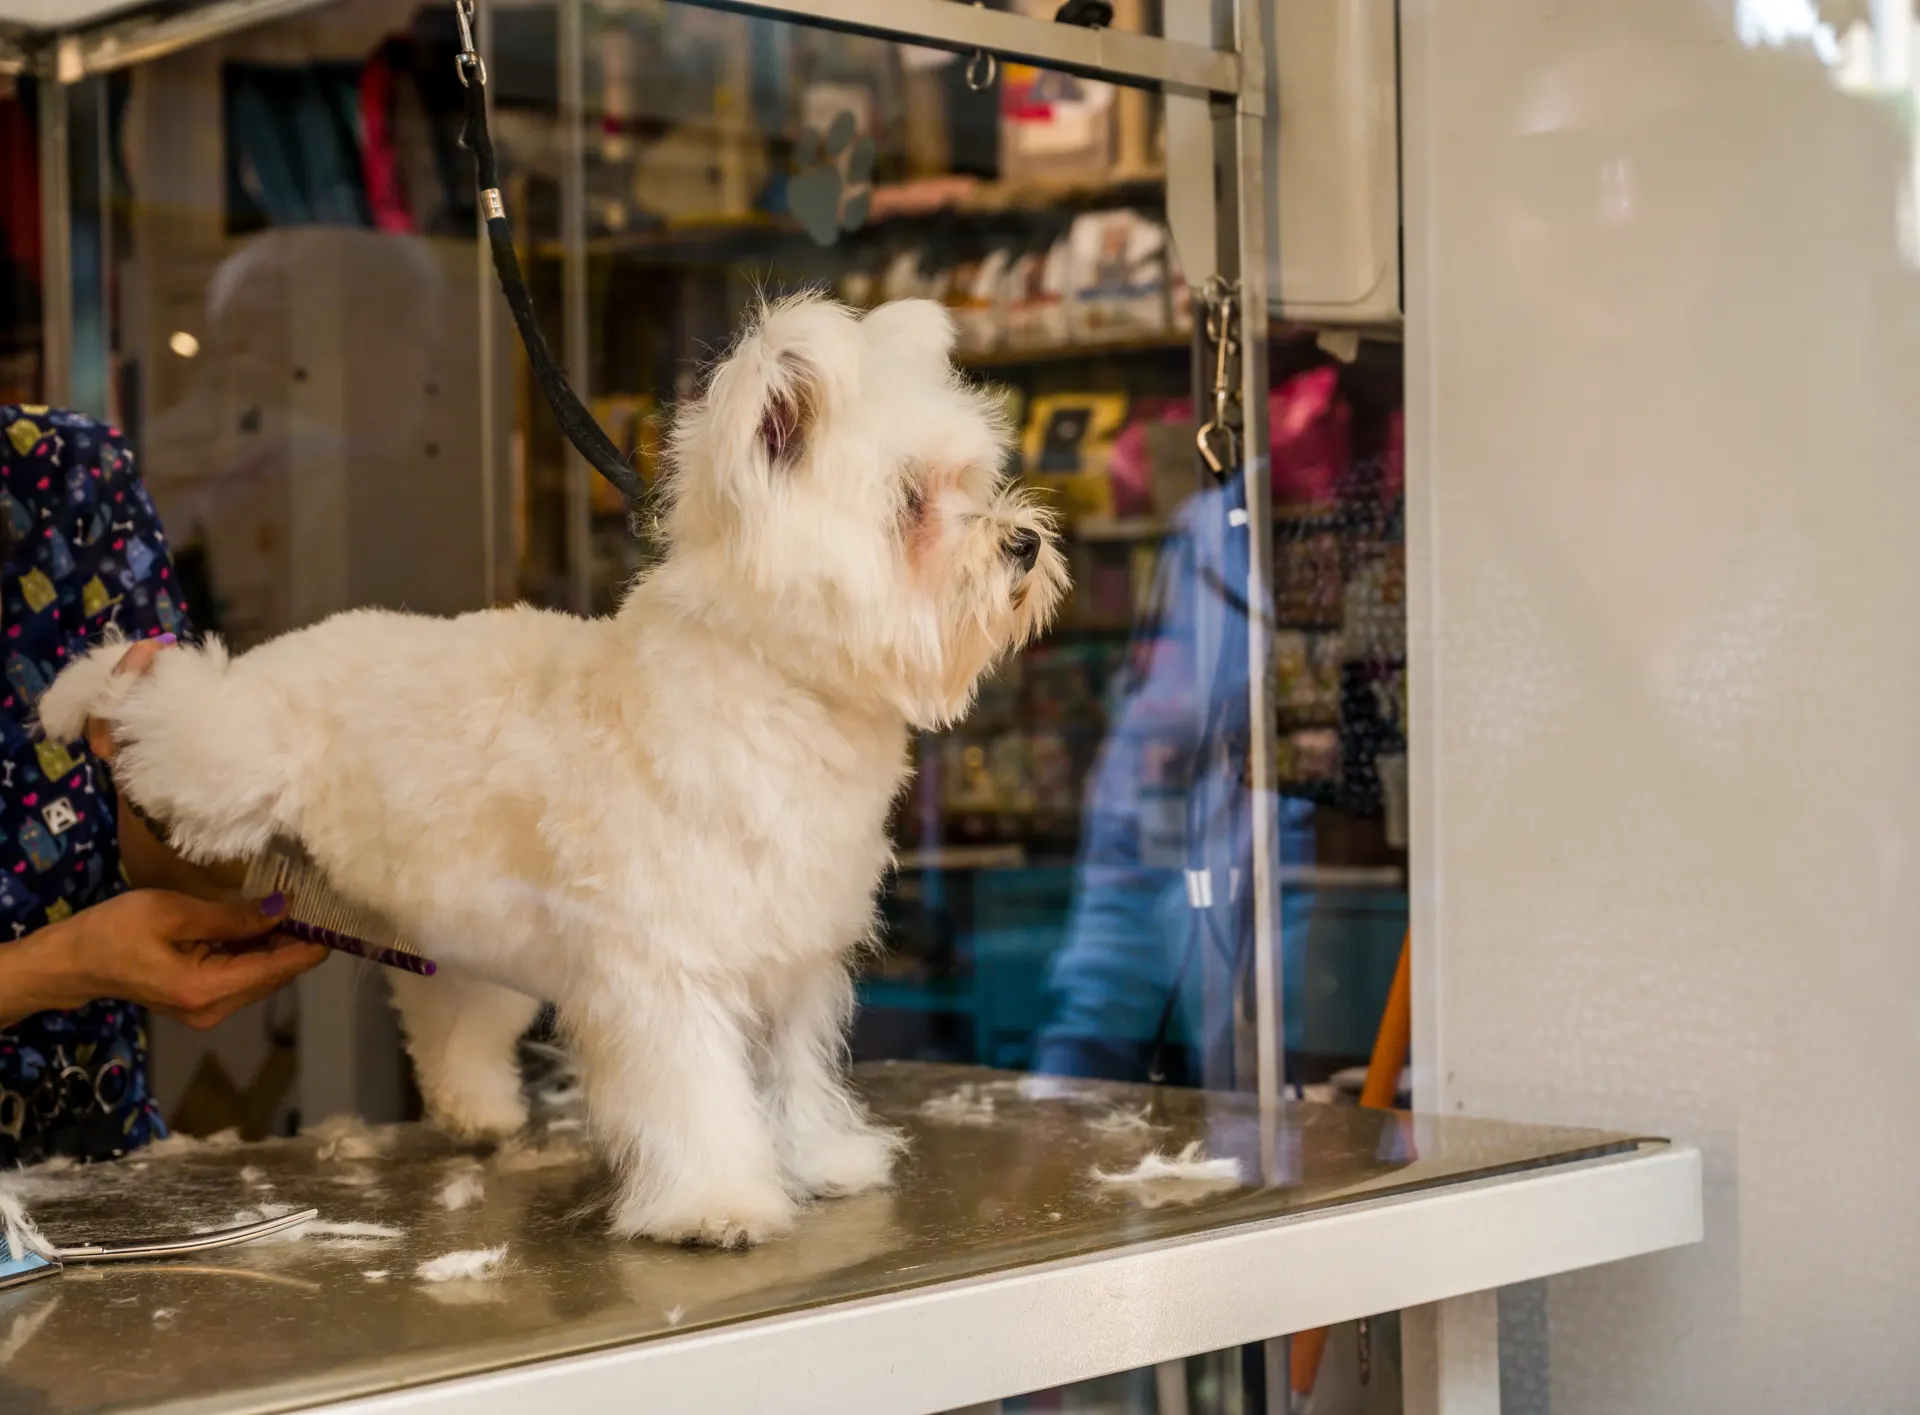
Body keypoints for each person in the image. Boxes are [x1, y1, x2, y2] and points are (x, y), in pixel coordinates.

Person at [0, 404, 326, 1168]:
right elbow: (76, 957)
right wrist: (57, 966)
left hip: (91, 1156)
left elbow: (177, 867)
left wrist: (173, 778)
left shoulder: (68, 473)